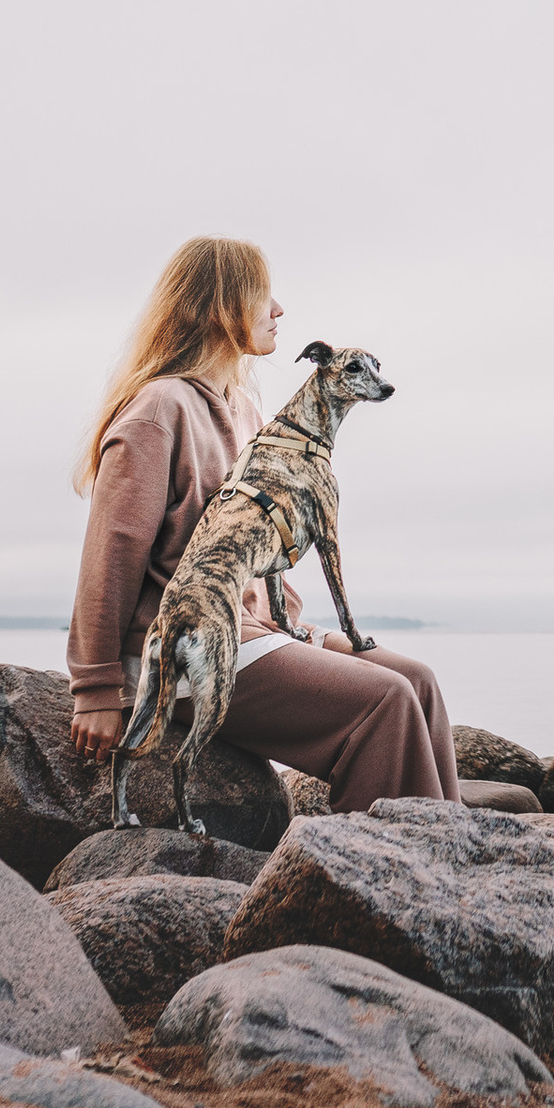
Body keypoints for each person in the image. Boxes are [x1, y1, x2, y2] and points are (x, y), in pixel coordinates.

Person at [67, 235, 458, 810]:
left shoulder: (248, 411)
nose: (278, 310)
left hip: (253, 631)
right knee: (386, 702)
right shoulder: (157, 412)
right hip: (182, 648)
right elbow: (110, 555)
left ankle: (456, 860)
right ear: (221, 306)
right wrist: (97, 689)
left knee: (418, 682)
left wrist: (294, 628)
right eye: (262, 295)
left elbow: (267, 536)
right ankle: (384, 883)